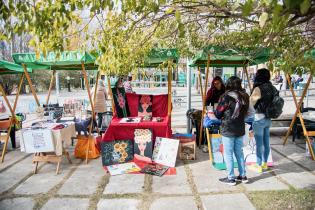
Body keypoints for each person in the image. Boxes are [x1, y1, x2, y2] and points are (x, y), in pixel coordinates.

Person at [214, 76, 249, 185]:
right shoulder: (244, 97)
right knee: (239, 153)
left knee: (228, 153)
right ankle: (243, 176)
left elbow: (218, 114)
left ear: (228, 84)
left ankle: (231, 178)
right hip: (240, 128)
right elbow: (247, 113)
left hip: (228, 129)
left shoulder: (225, 97)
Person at [249, 68, 274, 173]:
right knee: (266, 142)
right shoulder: (272, 87)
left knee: (259, 143)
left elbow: (251, 103)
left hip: (259, 118)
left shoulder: (259, 88)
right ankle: (265, 164)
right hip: (268, 118)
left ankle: (258, 165)